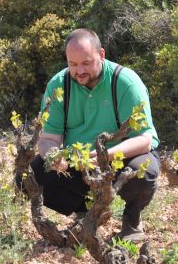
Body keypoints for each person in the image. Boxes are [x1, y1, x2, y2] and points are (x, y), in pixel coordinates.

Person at [30, 28, 160, 242]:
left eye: (86, 63)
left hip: (121, 157)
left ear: (101, 55)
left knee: (143, 170)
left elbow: (145, 140)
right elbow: (48, 139)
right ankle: (84, 212)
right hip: (78, 161)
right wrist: (54, 157)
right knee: (30, 175)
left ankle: (132, 221)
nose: (79, 70)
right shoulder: (58, 86)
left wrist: (104, 155)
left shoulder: (125, 82)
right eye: (73, 64)